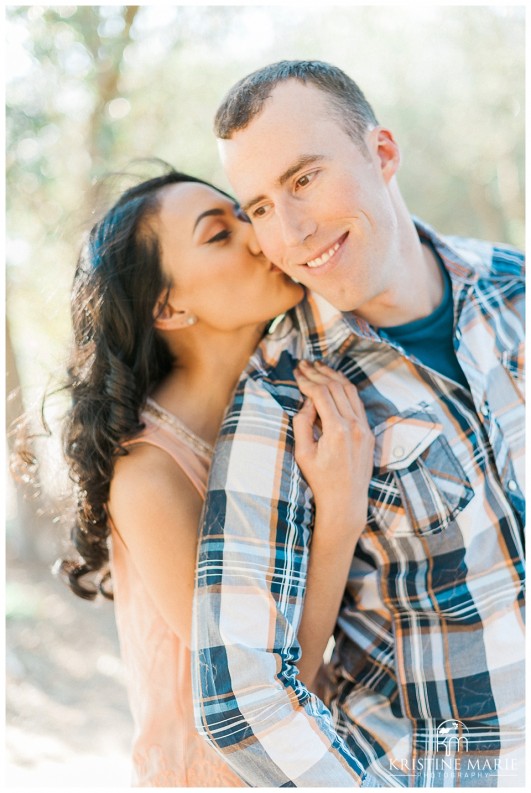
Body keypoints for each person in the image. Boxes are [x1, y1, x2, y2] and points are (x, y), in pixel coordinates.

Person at [192, 61, 525, 787]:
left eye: (304, 179)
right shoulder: (285, 399)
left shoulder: (516, 290)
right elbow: (237, 696)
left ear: (382, 154)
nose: (293, 230)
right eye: (259, 206)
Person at [43, 167, 374, 787]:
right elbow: (262, 694)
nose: (258, 237)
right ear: (168, 307)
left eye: (245, 216)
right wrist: (340, 514)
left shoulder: (276, 407)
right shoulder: (148, 477)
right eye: (219, 235)